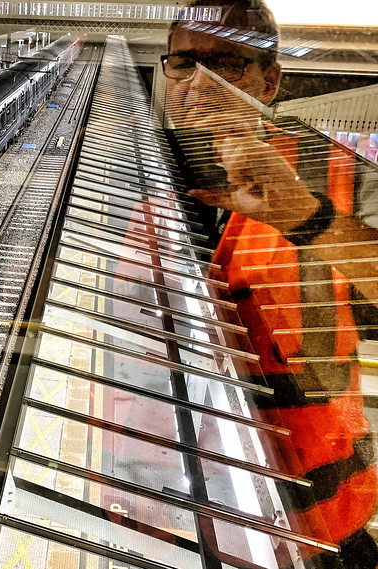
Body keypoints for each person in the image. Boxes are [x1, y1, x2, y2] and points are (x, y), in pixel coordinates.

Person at [164, 1, 378, 567]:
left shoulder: (334, 172)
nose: (200, 85)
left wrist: (308, 218)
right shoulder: (131, 169)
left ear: (271, 82)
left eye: (226, 65)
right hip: (182, 510)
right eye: (184, 65)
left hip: (318, 520)